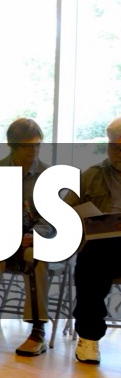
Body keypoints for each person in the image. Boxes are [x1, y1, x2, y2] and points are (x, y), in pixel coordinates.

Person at [0, 118, 51, 356]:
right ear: (13, 146)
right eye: (28, 146)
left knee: (36, 257)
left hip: (30, 240)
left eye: (38, 144)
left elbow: (51, 220)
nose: (34, 150)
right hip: (2, 238)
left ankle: (38, 331)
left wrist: (35, 234)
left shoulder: (47, 175)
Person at [69, 117, 121, 365]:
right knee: (91, 259)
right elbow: (65, 211)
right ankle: (89, 337)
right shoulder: (91, 175)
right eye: (114, 147)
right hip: (101, 248)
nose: (118, 153)